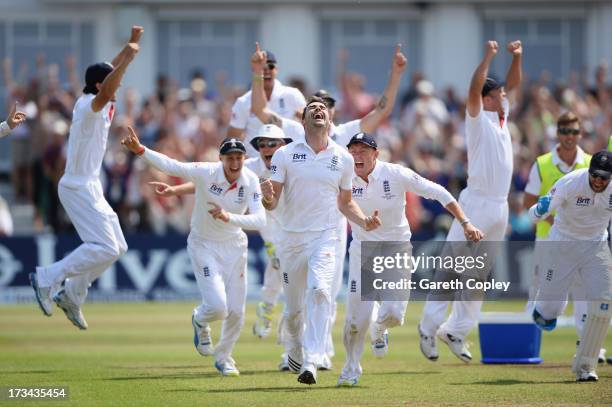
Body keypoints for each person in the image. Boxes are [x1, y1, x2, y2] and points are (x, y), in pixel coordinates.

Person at [251, 42, 407, 370]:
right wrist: (257, 74)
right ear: (303, 114)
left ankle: (317, 356)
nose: (322, 108)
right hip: (293, 230)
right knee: (295, 308)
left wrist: (394, 75)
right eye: (315, 104)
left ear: (333, 111)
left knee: (324, 292)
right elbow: (260, 111)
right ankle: (294, 350)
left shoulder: (346, 141)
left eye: (328, 104)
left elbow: (382, 109)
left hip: (330, 228)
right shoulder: (291, 137)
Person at [338, 133, 483, 386]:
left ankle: (380, 328)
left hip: (396, 249)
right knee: (355, 319)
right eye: (353, 151)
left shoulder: (395, 174)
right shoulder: (343, 176)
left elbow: (438, 191)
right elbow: (341, 204)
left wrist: (465, 222)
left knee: (394, 314)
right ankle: (350, 370)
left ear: (376, 154)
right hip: (364, 249)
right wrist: (362, 222)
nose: (357, 156)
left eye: (363, 151)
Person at [122, 128, 265, 377]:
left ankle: (224, 357)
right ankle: (200, 319)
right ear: (221, 159)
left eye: (238, 158)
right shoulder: (206, 172)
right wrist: (141, 150)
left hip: (235, 247)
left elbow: (261, 220)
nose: (234, 162)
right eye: (229, 158)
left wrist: (228, 217)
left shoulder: (250, 180)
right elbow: (172, 166)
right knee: (219, 308)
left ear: (243, 159)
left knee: (237, 311)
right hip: (204, 244)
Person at [29, 26, 143, 329]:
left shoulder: (101, 97)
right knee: (104, 247)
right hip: (77, 186)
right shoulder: (89, 106)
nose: (117, 85)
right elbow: (108, 85)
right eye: (111, 81)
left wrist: (131, 43)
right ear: (98, 84)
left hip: (90, 185)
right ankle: (46, 277)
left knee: (118, 247)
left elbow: (108, 73)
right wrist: (128, 60)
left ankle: (72, 296)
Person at [419, 39, 522, 362]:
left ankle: (456, 331)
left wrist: (516, 58)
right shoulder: (477, 118)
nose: (505, 98)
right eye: (499, 94)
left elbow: (514, 86)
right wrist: (489, 56)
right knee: (451, 266)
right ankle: (428, 326)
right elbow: (474, 88)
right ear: (487, 99)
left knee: (477, 273)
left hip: (500, 204)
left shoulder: (502, 116)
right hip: (476, 202)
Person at [523, 112, 607, 363]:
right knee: (545, 298)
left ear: (581, 134)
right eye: (565, 131)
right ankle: (528, 345)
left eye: (574, 132)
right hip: (554, 239)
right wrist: (557, 218)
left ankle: (590, 349)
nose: (570, 137)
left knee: (592, 295)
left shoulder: (595, 163)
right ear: (558, 133)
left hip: (592, 243)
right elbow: (530, 204)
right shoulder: (544, 163)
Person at [245, 125, 292, 339]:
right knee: (279, 262)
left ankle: (268, 308)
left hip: (293, 224)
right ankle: (270, 311)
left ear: (284, 146)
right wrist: (179, 189)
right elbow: (212, 176)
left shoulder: (295, 164)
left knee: (284, 270)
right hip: (269, 224)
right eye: (262, 144)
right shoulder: (251, 167)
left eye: (272, 143)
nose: (266, 148)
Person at [227, 48, 305, 157]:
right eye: (263, 67)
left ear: (277, 69)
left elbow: (306, 126)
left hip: (288, 161)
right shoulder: (243, 102)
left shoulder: (292, 95)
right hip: (256, 163)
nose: (267, 70)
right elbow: (232, 139)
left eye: (271, 66)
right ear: (255, 69)